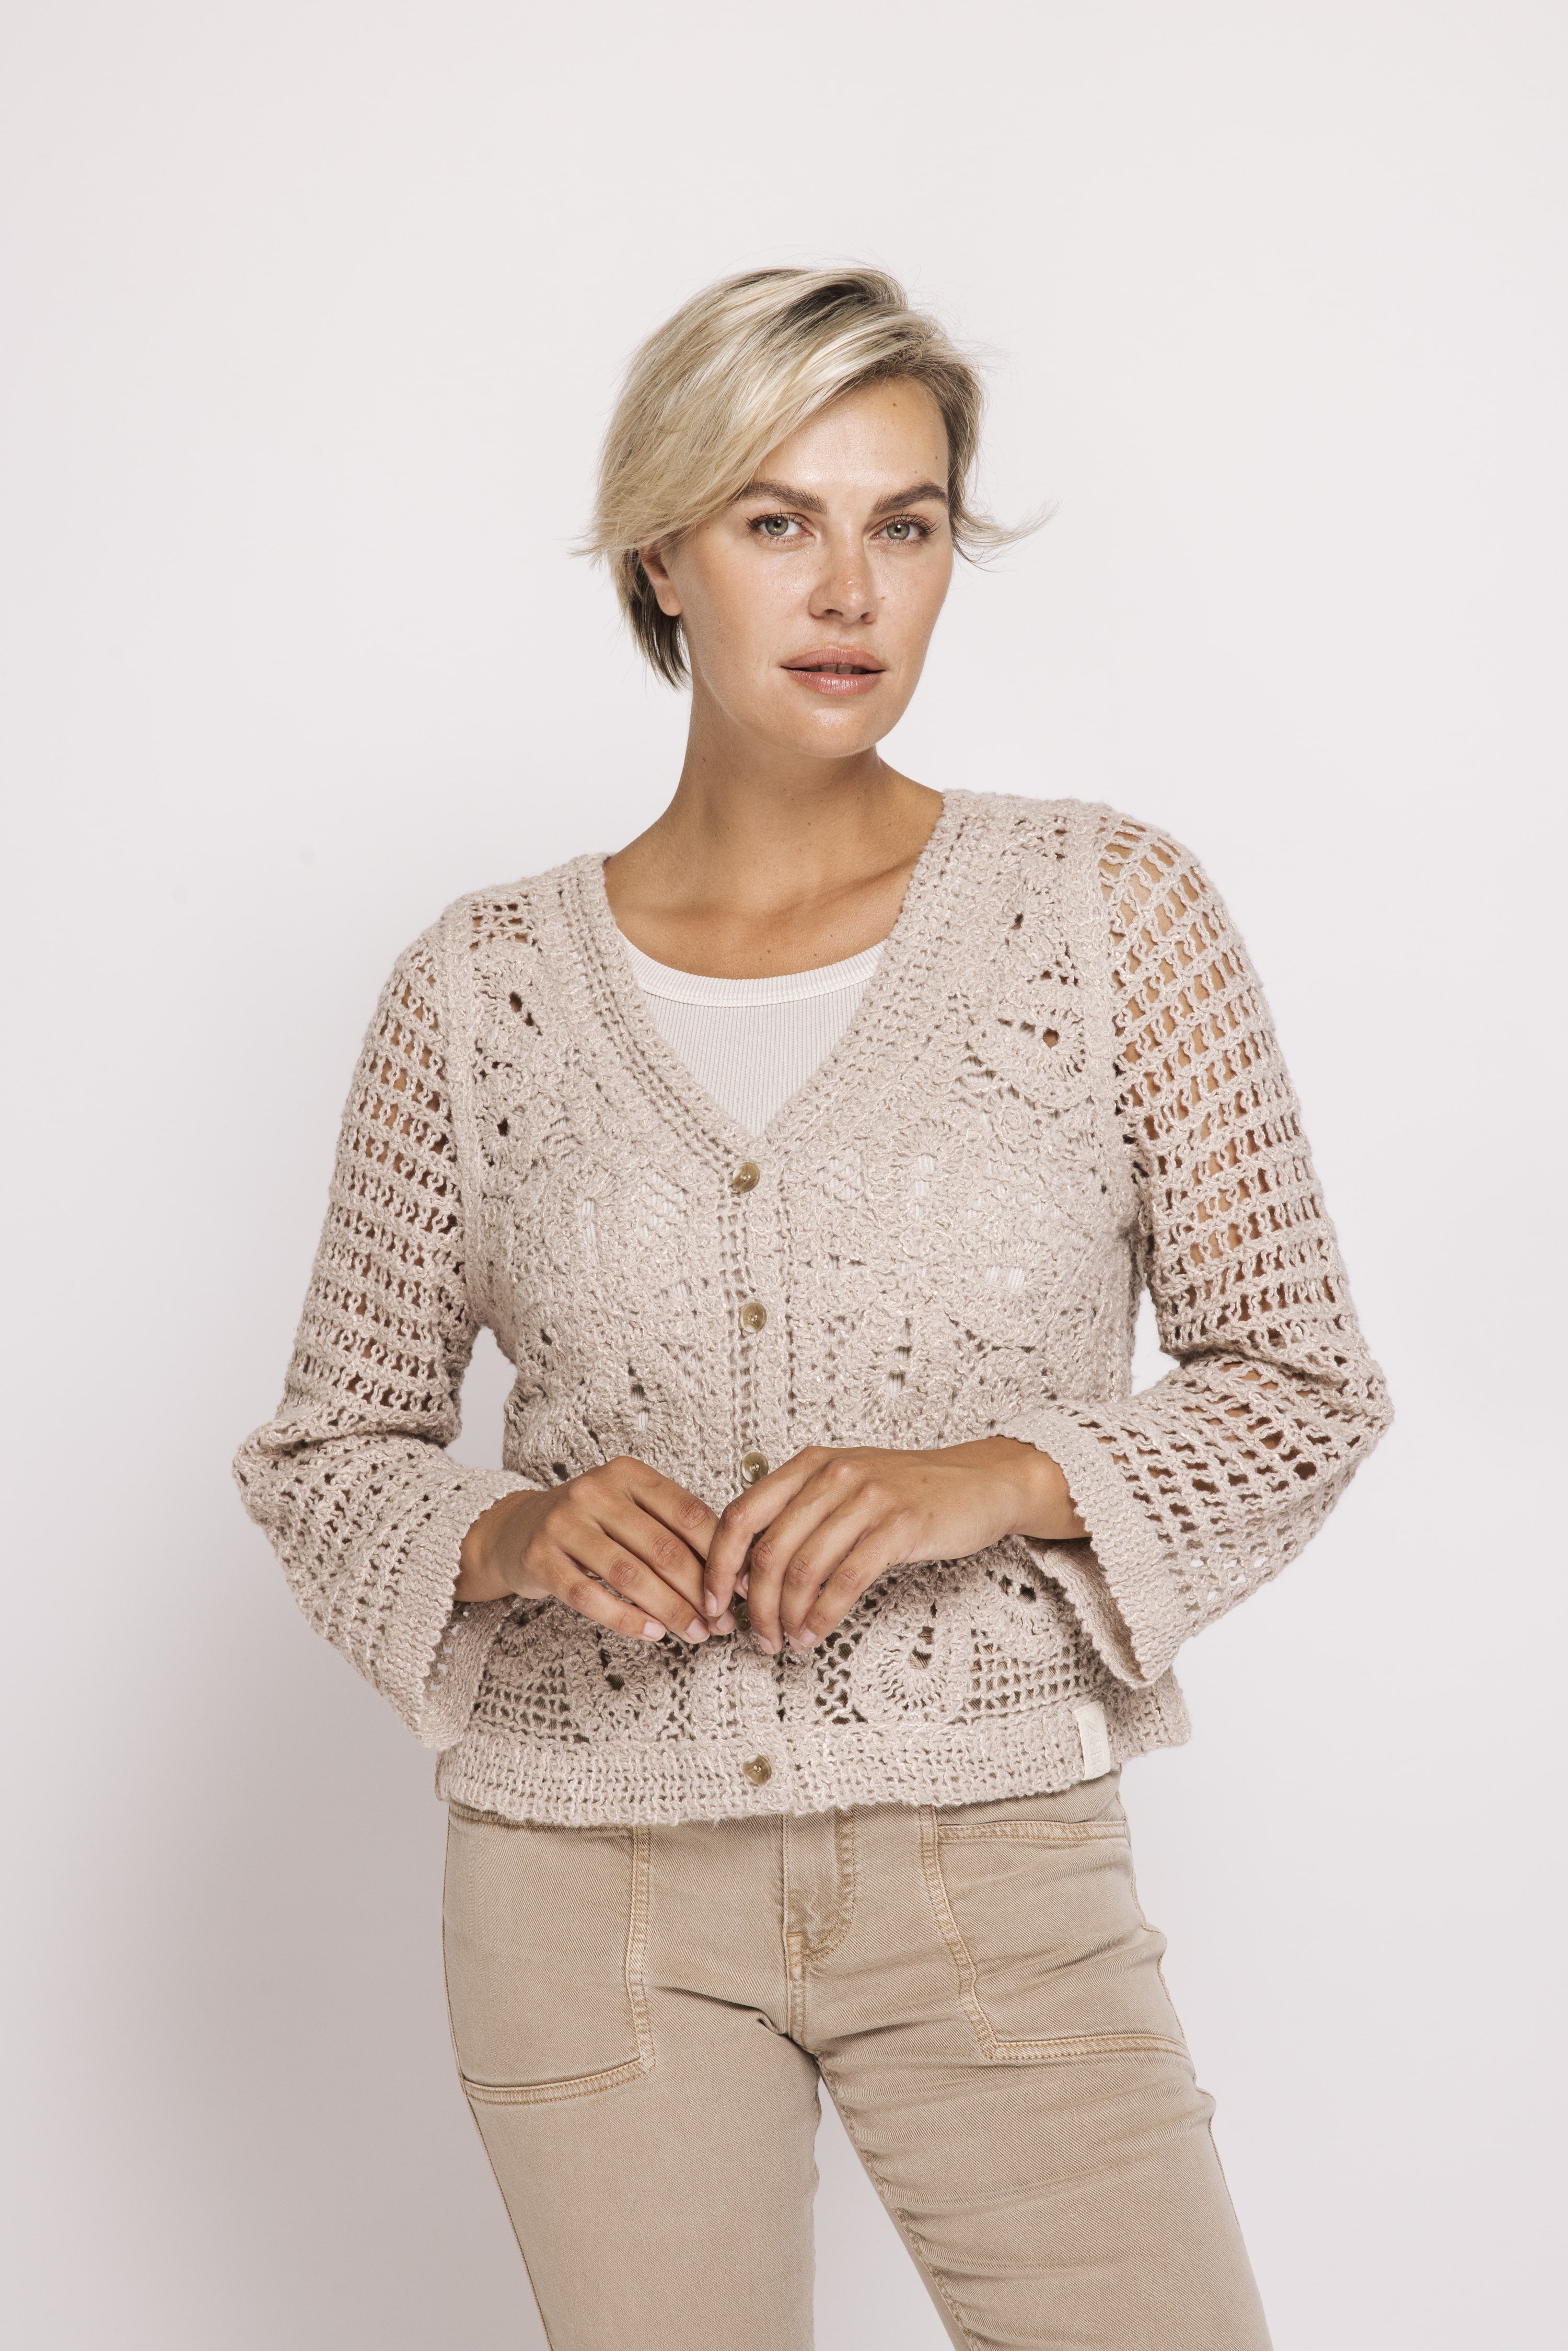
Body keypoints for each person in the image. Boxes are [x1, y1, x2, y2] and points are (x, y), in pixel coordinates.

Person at [236, 266, 1390, 2351]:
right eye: (778, 521)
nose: (851, 589)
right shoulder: (480, 990)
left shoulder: (1108, 915)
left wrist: (993, 1477)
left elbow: (1301, 1384)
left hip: (993, 1867)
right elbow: (327, 1453)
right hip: (584, 1888)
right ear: (661, 555)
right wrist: (509, 1531)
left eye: (905, 523)